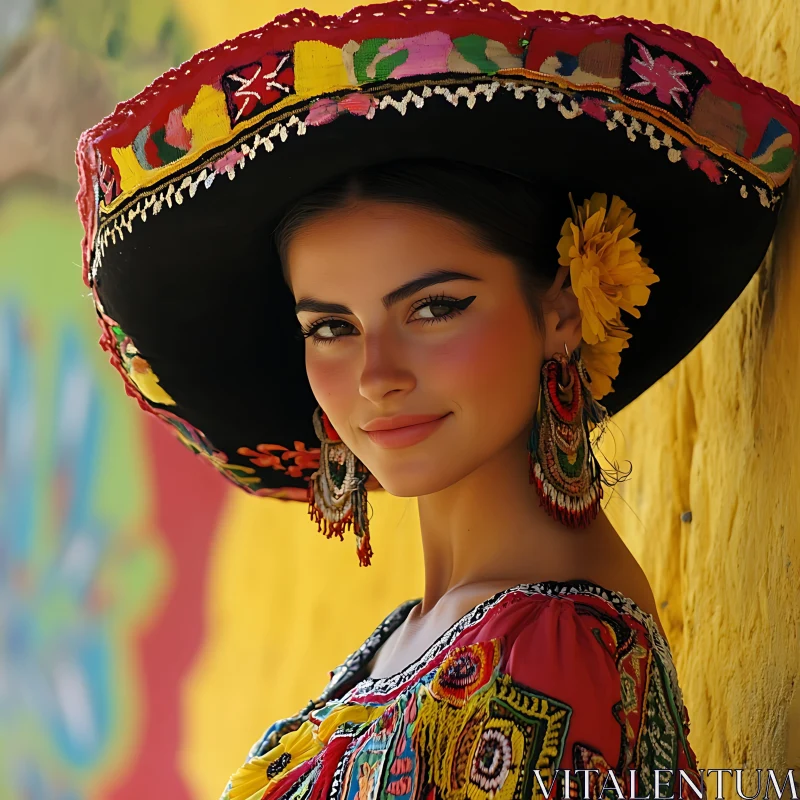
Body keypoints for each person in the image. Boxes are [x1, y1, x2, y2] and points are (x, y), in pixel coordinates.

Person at [74, 1, 800, 798]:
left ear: (561, 310)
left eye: (434, 307)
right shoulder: (428, 635)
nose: (375, 374)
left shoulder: (552, 652)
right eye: (331, 327)